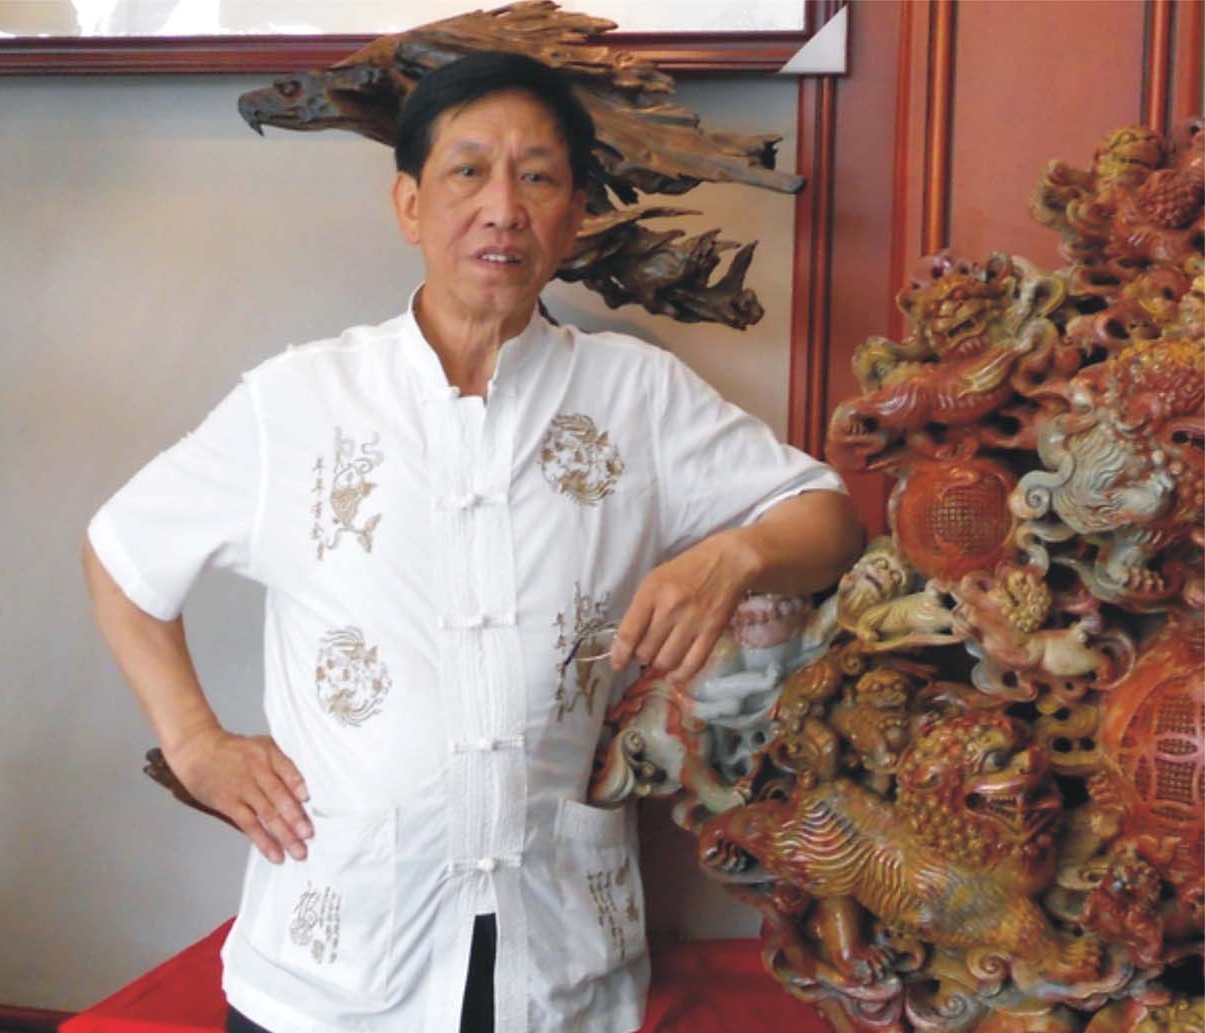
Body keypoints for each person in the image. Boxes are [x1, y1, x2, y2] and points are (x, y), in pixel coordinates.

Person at [83, 51, 862, 1033]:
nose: (503, 208)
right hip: (334, 970)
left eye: (537, 177)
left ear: (573, 216)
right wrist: (195, 744)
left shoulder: (637, 395)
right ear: (409, 205)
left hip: (556, 958)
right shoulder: (298, 402)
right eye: (468, 171)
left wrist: (733, 557)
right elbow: (122, 553)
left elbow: (829, 519)